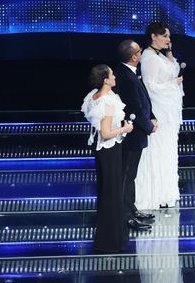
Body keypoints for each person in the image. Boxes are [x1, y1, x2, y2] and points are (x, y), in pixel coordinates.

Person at [81, 64, 134, 254]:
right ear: (105, 79)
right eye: (112, 75)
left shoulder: (94, 96)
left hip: (102, 150)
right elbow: (105, 132)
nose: (115, 77)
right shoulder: (107, 101)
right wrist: (124, 129)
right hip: (109, 149)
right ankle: (110, 240)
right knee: (111, 192)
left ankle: (110, 237)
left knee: (107, 191)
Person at [134, 21, 184, 210]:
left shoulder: (159, 55)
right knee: (158, 149)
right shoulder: (149, 57)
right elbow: (150, 87)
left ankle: (165, 192)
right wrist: (173, 84)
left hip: (168, 111)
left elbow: (173, 68)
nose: (168, 39)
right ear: (153, 36)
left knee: (167, 150)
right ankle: (153, 193)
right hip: (159, 110)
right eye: (164, 36)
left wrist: (169, 51)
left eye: (169, 36)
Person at [112, 39, 157, 231]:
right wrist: (148, 126)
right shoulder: (125, 76)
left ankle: (131, 208)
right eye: (139, 50)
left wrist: (152, 117)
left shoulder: (129, 73)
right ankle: (126, 216)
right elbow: (134, 107)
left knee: (130, 175)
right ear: (134, 56)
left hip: (136, 134)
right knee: (126, 176)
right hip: (131, 136)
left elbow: (143, 101)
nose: (141, 53)